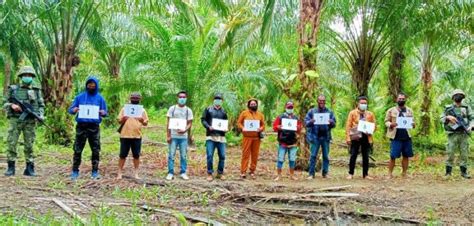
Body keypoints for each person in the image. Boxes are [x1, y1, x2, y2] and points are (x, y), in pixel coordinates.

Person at [3, 66, 45, 177]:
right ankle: (10, 167)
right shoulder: (13, 89)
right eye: (25, 75)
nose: (27, 77)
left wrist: (40, 115)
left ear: (32, 77)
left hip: (30, 121)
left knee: (29, 144)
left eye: (29, 75)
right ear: (21, 77)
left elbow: (41, 105)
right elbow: (4, 103)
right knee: (12, 142)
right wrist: (12, 105)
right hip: (16, 120)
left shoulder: (36, 90)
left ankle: (29, 168)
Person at [68, 77, 108, 180]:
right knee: (77, 149)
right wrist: (74, 109)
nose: (91, 86)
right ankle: (75, 171)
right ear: (86, 85)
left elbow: (105, 112)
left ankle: (95, 171)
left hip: (94, 127)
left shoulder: (100, 98)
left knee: (95, 150)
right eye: (89, 84)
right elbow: (71, 110)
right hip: (81, 126)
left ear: (96, 86)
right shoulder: (80, 97)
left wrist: (102, 112)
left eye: (93, 85)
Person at [440, 89, 473, 179]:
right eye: (456, 95)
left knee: (464, 153)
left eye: (460, 95)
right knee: (450, 152)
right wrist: (448, 117)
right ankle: (448, 172)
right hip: (452, 134)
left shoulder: (466, 107)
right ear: (453, 97)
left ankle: (464, 172)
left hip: (463, 133)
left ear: (463, 97)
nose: (458, 96)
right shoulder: (448, 108)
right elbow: (441, 118)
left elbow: (472, 118)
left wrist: (471, 126)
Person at [116, 92, 148, 180]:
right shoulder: (124, 109)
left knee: (136, 155)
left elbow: (146, 123)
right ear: (130, 99)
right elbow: (119, 121)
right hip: (125, 135)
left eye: (136, 98)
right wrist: (123, 119)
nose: (135, 100)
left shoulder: (142, 110)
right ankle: (119, 172)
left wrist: (142, 120)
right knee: (122, 155)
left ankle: (136, 173)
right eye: (133, 98)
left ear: (139, 99)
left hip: (137, 136)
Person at [305, 95, 336, 179]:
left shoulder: (329, 112)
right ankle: (311, 174)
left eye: (323, 101)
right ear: (317, 101)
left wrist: (331, 122)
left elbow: (334, 124)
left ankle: (325, 173)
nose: (322, 102)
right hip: (315, 137)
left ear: (325, 101)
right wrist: (311, 121)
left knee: (326, 156)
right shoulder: (312, 111)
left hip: (326, 137)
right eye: (320, 100)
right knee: (313, 156)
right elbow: (306, 123)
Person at [385, 93, 415, 179]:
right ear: (396, 99)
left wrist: (413, 124)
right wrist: (391, 124)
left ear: (405, 99)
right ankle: (389, 174)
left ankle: (404, 173)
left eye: (403, 99)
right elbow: (386, 121)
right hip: (395, 136)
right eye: (400, 98)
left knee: (406, 155)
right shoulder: (391, 110)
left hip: (406, 136)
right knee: (393, 155)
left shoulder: (409, 110)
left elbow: (412, 122)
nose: (401, 100)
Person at [345, 96, 376, 179]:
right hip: (356, 136)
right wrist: (348, 138)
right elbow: (348, 126)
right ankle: (351, 173)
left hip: (366, 137)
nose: (363, 105)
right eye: (362, 103)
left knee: (366, 156)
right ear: (358, 104)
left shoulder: (370, 114)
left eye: (365, 103)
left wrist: (370, 129)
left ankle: (365, 174)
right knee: (353, 155)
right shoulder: (352, 113)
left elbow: (374, 126)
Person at [166, 91, 193, 180]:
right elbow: (168, 122)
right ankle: (170, 172)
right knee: (171, 154)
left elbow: (189, 123)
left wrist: (185, 129)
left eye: (184, 97)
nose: (182, 99)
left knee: (183, 155)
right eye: (180, 97)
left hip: (183, 137)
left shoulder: (188, 110)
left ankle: (183, 172)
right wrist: (168, 135)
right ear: (177, 98)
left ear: (186, 98)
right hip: (173, 136)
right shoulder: (172, 109)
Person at [201, 93, 228, 181]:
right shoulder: (208, 109)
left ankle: (220, 173)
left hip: (221, 137)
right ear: (213, 100)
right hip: (210, 136)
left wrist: (225, 129)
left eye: (219, 99)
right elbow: (203, 120)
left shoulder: (224, 111)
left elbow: (225, 122)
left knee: (222, 156)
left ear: (222, 101)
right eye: (216, 99)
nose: (218, 101)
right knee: (209, 155)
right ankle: (209, 173)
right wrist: (208, 126)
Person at [273, 101, 302, 181]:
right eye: (289, 107)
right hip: (283, 142)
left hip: (293, 142)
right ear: (286, 107)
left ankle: (292, 175)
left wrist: (298, 127)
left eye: (291, 107)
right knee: (280, 159)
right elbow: (274, 127)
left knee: (292, 159)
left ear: (293, 108)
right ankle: (279, 175)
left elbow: (299, 129)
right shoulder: (280, 117)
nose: (290, 109)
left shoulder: (296, 118)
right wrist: (278, 127)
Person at [237, 99, 265, 179]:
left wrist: (261, 128)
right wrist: (243, 128)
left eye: (255, 104)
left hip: (256, 138)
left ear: (257, 105)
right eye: (252, 104)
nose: (253, 105)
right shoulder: (244, 113)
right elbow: (239, 123)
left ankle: (252, 171)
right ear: (249, 105)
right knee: (245, 154)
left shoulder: (260, 115)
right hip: (247, 137)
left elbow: (263, 125)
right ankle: (243, 171)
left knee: (255, 155)